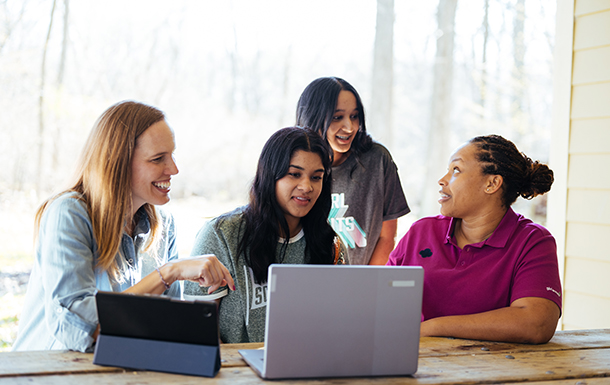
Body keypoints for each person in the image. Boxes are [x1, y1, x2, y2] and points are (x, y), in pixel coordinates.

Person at [13, 101, 234, 352]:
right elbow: (81, 326)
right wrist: (168, 272)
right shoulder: (69, 213)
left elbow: (166, 325)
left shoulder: (164, 225)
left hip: (120, 369)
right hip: (51, 373)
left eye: (172, 155)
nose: (173, 169)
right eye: (158, 158)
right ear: (117, 162)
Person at [388, 135, 562, 344]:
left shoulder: (533, 241)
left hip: (494, 370)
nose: (442, 180)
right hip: (416, 363)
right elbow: (381, 300)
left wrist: (434, 327)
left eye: (456, 170)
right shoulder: (421, 231)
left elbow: (537, 323)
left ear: (492, 183)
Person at [183, 127, 346, 343]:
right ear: (270, 175)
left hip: (308, 369)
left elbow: (339, 324)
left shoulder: (330, 244)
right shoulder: (221, 235)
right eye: (294, 174)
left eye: (316, 177)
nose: (307, 186)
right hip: (236, 372)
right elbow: (198, 331)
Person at [295, 76, 410, 266]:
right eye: (337, 117)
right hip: (307, 281)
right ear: (313, 116)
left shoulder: (378, 159)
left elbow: (387, 236)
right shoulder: (292, 162)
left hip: (362, 284)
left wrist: (367, 285)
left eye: (354, 116)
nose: (349, 127)